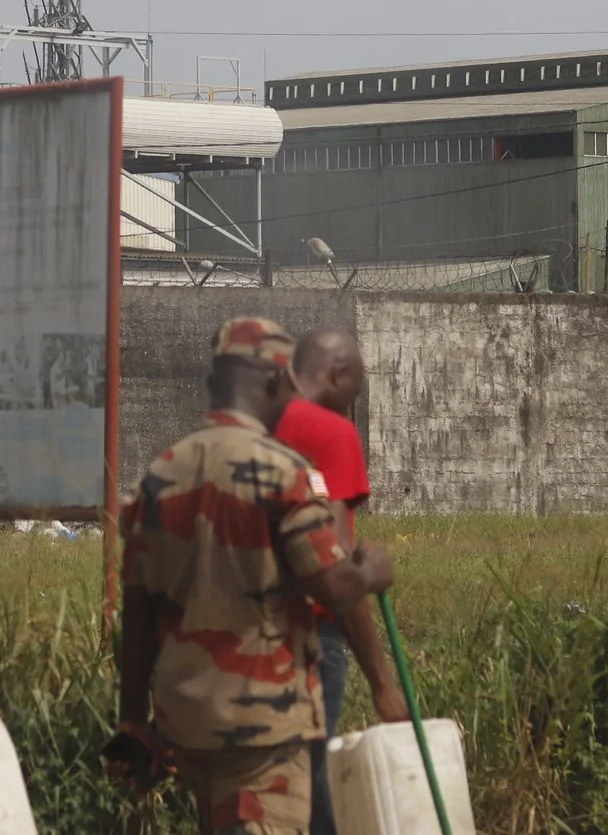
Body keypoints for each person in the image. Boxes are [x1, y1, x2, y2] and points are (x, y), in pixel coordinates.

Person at [115, 318, 402, 835]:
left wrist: (133, 721)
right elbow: (331, 586)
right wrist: (370, 572)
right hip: (264, 725)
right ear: (272, 383)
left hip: (187, 721)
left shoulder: (159, 475)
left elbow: (137, 615)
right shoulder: (282, 471)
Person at [274, 329, 410, 835]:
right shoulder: (330, 433)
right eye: (357, 385)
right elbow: (332, 567)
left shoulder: (246, 429)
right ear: (338, 375)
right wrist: (381, 680)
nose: (356, 399)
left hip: (238, 643)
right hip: (309, 640)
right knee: (311, 795)